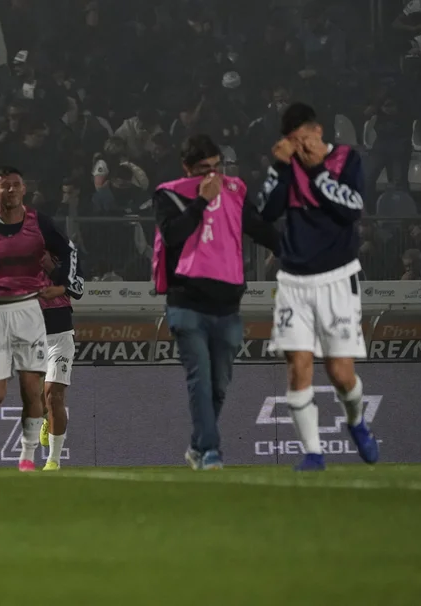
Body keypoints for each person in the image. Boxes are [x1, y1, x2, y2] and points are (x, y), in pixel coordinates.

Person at [258, 102, 379, 471]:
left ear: (318, 131)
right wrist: (279, 167)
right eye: (293, 142)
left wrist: (317, 172)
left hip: (337, 278)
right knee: (298, 367)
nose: (300, 147)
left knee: (341, 373)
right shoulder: (286, 165)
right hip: (293, 280)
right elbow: (266, 212)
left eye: (304, 139)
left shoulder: (346, 159)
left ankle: (356, 421)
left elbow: (352, 208)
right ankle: (313, 453)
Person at [153, 134, 281, 471]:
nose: (212, 175)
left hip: (227, 305)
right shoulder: (169, 195)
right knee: (200, 379)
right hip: (186, 302)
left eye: (216, 167)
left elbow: (259, 228)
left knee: (219, 384)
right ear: (186, 168)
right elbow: (172, 235)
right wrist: (200, 202)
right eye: (203, 169)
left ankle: (198, 446)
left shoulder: (234, 191)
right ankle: (211, 451)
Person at [0, 166, 83, 472]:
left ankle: (44, 461)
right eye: (4, 186)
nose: (10, 190)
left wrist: (58, 277)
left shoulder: (47, 237)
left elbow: (77, 282)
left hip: (51, 327)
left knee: (46, 392)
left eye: (16, 185)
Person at [37, 251, 84, 471]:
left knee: (53, 395)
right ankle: (47, 417)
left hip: (61, 336)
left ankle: (53, 461)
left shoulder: (68, 256)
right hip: (31, 337)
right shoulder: (22, 250)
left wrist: (52, 268)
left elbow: (78, 290)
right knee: (37, 400)